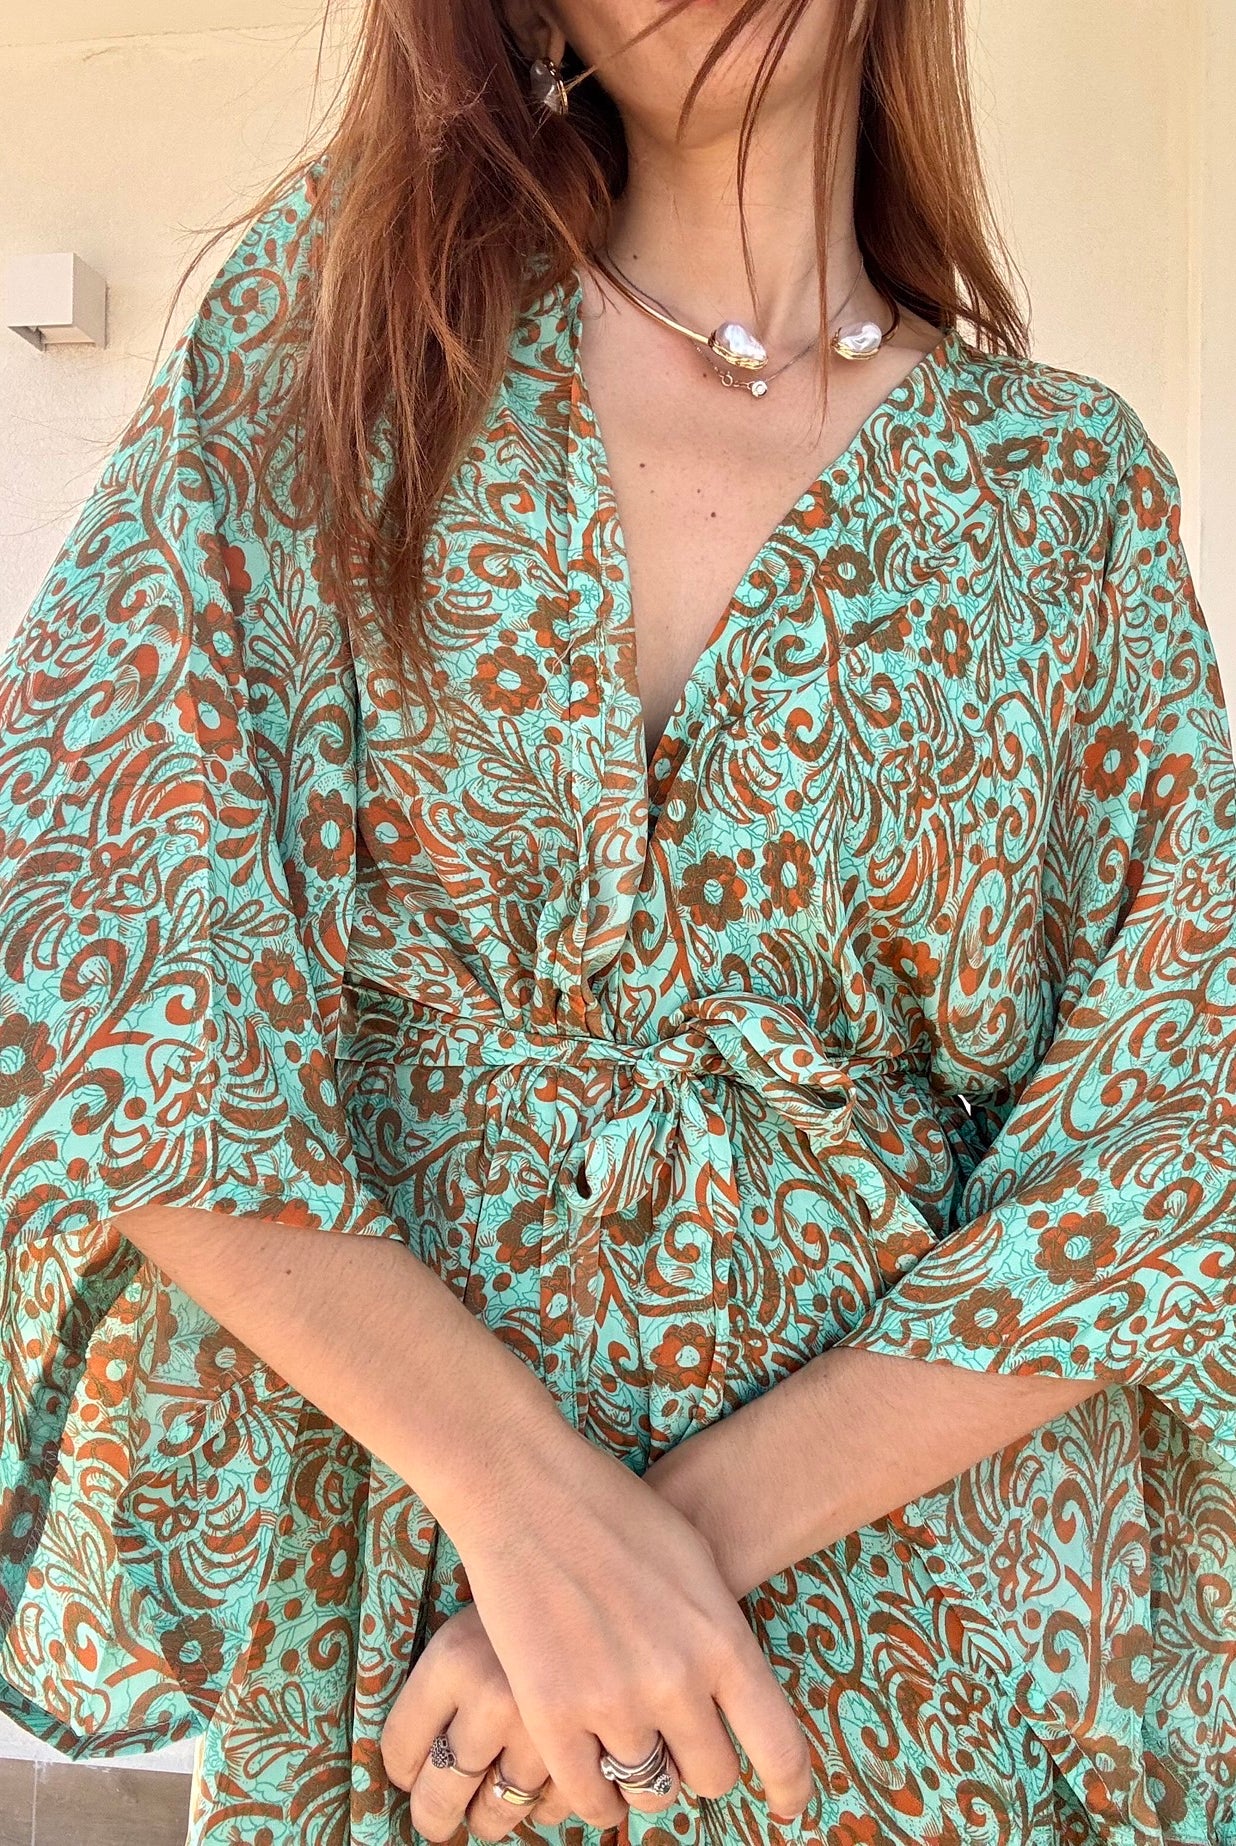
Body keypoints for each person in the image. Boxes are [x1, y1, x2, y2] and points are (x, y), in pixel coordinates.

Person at [1, 1, 1233, 1843]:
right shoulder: (345, 349)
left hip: (915, 1633)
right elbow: (96, 934)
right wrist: (519, 1497)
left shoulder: (1069, 496)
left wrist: (656, 1553)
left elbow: (1174, 1122)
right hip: (411, 1630)